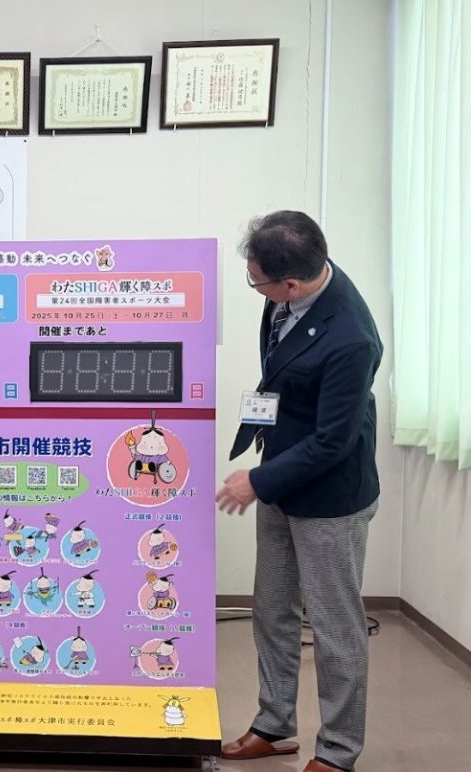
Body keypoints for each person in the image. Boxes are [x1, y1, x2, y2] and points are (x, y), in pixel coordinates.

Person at [216, 211, 382, 772]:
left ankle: (337, 751)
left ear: (291, 283)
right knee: (272, 610)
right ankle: (275, 724)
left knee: (336, 629)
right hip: (283, 475)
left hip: (329, 498)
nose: (255, 288)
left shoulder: (351, 338)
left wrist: (256, 482)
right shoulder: (290, 294)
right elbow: (279, 370)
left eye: (257, 281)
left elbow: (334, 441)